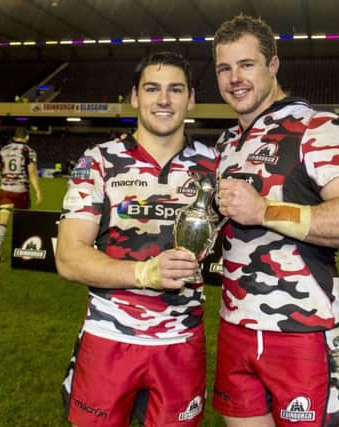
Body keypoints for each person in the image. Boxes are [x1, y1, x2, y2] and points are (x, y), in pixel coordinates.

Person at [212, 15, 339, 427]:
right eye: (224, 68)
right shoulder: (226, 142)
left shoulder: (317, 128)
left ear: (273, 66)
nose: (235, 78)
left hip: (304, 332)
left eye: (247, 64)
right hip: (234, 327)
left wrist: (266, 210)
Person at [55, 51, 218, 427]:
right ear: (134, 96)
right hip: (109, 338)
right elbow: (68, 257)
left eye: (176, 90)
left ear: (191, 99)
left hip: (182, 344)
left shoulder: (216, 166)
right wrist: (146, 274)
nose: (164, 100)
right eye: (152, 89)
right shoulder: (98, 161)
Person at [0, 126, 41, 262]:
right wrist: (37, 191)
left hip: (5, 190)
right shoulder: (28, 151)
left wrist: (1, 181)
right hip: (21, 191)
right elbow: (32, 173)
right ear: (27, 137)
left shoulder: (4, 149)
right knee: (23, 222)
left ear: (14, 137)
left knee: (3, 220)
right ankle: (22, 252)